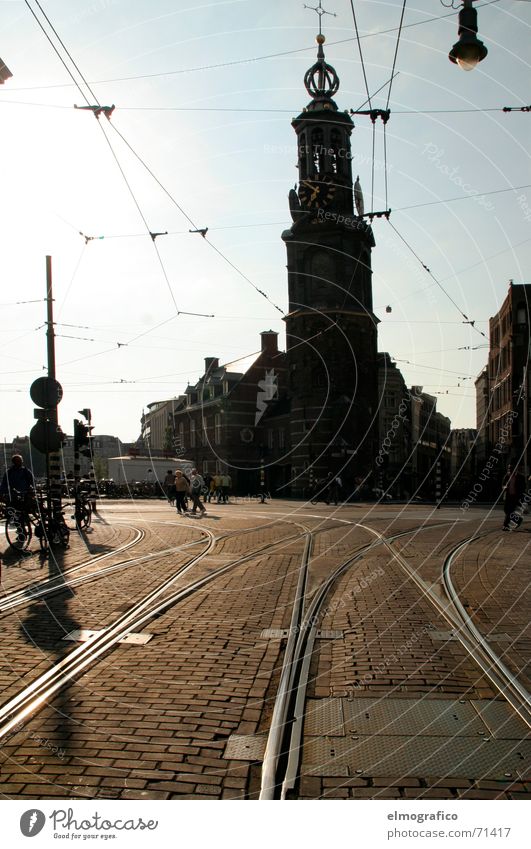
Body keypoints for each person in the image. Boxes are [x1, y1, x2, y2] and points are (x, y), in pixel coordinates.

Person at [501, 462, 526, 530]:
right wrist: (504, 487)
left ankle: (505, 525)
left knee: (509, 511)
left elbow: (523, 488)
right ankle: (518, 520)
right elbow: (503, 485)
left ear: (515, 469)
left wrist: (521, 498)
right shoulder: (506, 476)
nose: (509, 469)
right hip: (508, 496)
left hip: (515, 497)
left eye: (511, 468)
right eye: (509, 468)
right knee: (506, 510)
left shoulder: (521, 477)